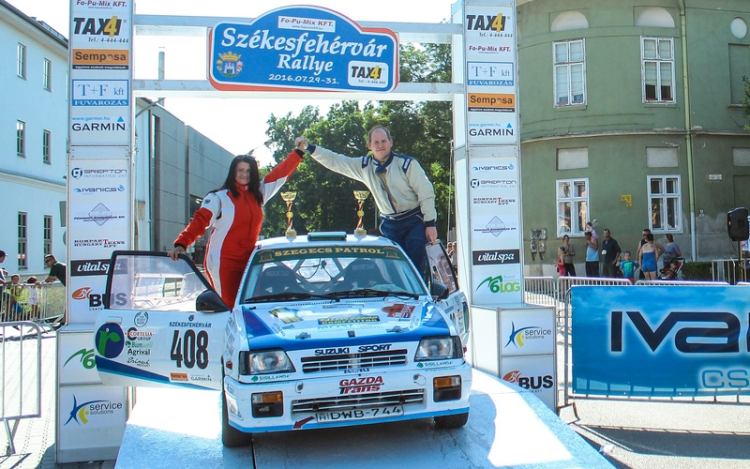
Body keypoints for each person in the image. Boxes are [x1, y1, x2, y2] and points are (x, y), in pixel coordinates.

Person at [168, 150, 304, 307]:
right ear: (233, 172)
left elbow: (280, 174)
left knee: (249, 304)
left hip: (249, 260)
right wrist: (181, 244)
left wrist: (298, 152)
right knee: (228, 305)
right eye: (240, 170)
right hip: (224, 260)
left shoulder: (259, 193)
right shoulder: (218, 197)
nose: (244, 174)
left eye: (248, 171)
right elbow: (200, 221)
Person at [295, 126, 437, 274]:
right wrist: (309, 147)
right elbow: (335, 161)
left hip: (413, 221)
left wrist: (430, 223)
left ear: (391, 142)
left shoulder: (407, 164)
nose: (380, 145)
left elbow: (426, 193)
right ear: (369, 145)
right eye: (376, 142)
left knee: (417, 269)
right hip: (389, 225)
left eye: (383, 141)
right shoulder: (364, 166)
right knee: (393, 272)